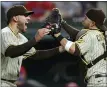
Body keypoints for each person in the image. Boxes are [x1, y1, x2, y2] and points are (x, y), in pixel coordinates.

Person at [1, 5, 64, 87]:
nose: (29, 18)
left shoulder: (21, 38)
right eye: (25, 16)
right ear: (15, 18)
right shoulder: (5, 33)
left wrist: (60, 49)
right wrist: (35, 39)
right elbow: (11, 52)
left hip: (11, 83)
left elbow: (36, 54)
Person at [49, 8, 107, 87]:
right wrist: (62, 23)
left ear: (93, 23)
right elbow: (79, 35)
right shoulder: (102, 33)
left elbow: (73, 49)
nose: (83, 19)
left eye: (86, 18)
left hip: (97, 81)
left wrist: (57, 35)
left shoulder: (90, 35)